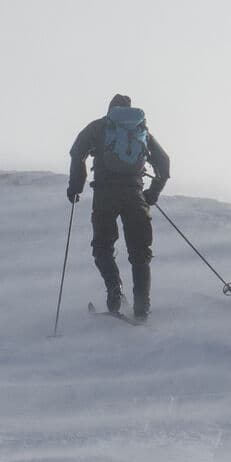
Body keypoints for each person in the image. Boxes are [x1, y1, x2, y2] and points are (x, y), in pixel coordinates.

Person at [67, 94, 170, 320]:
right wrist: (152, 193)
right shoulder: (140, 130)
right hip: (135, 196)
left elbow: (77, 153)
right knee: (140, 254)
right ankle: (142, 308)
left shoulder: (99, 127)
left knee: (103, 246)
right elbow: (164, 162)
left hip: (105, 195)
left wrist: (75, 187)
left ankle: (115, 290)